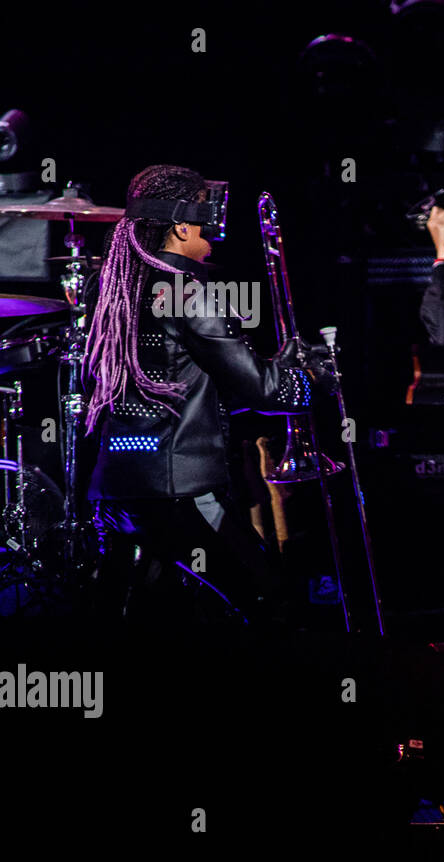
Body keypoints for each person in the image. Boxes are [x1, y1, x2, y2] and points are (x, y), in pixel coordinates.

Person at [83, 164, 337, 626]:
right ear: (182, 225)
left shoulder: (115, 289)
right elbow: (262, 391)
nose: (214, 225)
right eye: (206, 212)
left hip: (119, 490)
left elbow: (186, 390)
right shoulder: (187, 293)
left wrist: (275, 369)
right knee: (269, 603)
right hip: (183, 490)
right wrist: (311, 378)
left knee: (131, 620)